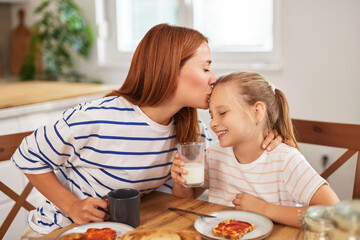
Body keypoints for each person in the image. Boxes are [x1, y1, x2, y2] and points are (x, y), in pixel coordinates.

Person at [12, 24, 282, 234]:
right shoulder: (97, 118)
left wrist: (268, 137)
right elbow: (28, 154)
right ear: (169, 69)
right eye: (206, 67)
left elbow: (181, 196)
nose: (213, 79)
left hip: (128, 230)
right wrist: (72, 205)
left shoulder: (191, 130)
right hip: (61, 231)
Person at [171, 72, 340, 227]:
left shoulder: (285, 159)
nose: (213, 123)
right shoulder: (215, 154)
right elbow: (187, 200)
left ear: (257, 112)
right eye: (211, 115)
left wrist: (265, 209)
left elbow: (333, 214)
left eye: (222, 113)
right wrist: (181, 182)